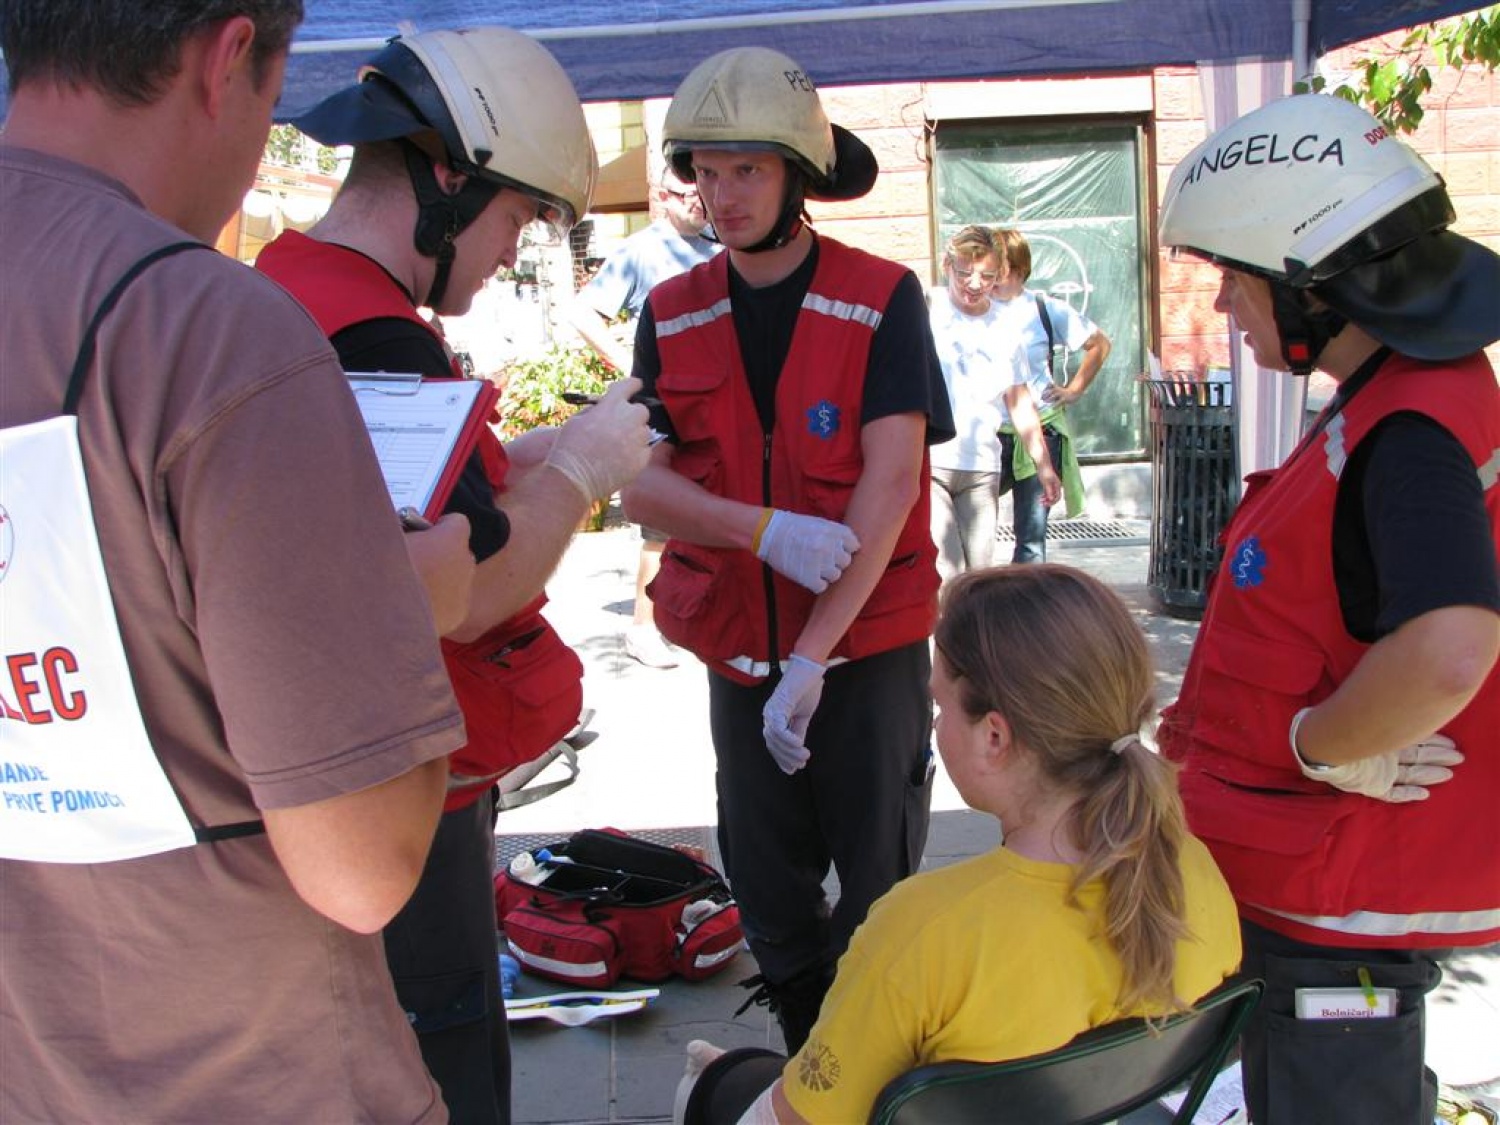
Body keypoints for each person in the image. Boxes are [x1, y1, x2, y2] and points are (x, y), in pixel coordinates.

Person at [0, 3, 474, 1121]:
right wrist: (407, 609)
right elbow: (359, 868)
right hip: (251, 1071)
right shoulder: (204, 327)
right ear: (225, 58)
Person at [256, 27, 652, 1123]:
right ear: (448, 179)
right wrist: (581, 470)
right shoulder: (380, 339)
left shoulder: (286, 285)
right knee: (447, 1056)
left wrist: (521, 456)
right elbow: (467, 591)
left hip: (322, 774)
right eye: (518, 218)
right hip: (404, 795)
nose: (508, 252)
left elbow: (397, 509)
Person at [1157, 93, 1500, 1125]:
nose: (1223, 307)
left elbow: (1450, 648)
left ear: (1313, 287)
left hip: (1334, 903)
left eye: (1235, 279)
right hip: (1315, 886)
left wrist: (1323, 741)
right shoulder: (1402, 394)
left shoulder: (1410, 435)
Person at [619, 45, 954, 1055]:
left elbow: (891, 480)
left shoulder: (881, 296)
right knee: (768, 887)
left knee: (881, 882)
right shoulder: (670, 313)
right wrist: (758, 529)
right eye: (706, 172)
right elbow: (637, 483)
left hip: (865, 653)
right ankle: (814, 1064)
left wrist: (814, 655)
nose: (721, 196)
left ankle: (878, 1062)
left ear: (799, 174)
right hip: (736, 653)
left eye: (747, 170)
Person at [672, 565, 1243, 1124]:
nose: (932, 723)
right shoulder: (1192, 869)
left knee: (716, 1083)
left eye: (941, 706)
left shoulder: (925, 930)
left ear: (994, 736)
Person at [568, 166, 723, 668]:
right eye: (685, 195)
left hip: (717, 406)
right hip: (665, 408)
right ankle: (643, 626)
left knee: (710, 509)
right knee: (659, 519)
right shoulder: (641, 250)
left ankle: (692, 613)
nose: (697, 203)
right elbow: (583, 313)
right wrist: (632, 372)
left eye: (701, 194)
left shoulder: (721, 245)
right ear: (661, 196)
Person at [989, 227, 1112, 562]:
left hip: (1041, 428)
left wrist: (1073, 389)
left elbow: (1100, 344)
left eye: (998, 269)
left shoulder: (1045, 309)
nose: (991, 278)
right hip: (990, 435)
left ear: (1017, 269)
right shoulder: (975, 309)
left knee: (1030, 541)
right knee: (976, 536)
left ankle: (1024, 612)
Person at [927, 225, 1029, 580]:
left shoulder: (1006, 323)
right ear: (946, 265)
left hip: (982, 464)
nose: (974, 283)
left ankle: (973, 637)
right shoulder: (925, 308)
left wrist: (1043, 465)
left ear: (999, 274)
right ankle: (944, 637)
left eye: (986, 276)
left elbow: (1018, 399)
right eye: (964, 273)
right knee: (948, 571)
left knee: (982, 574)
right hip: (932, 463)